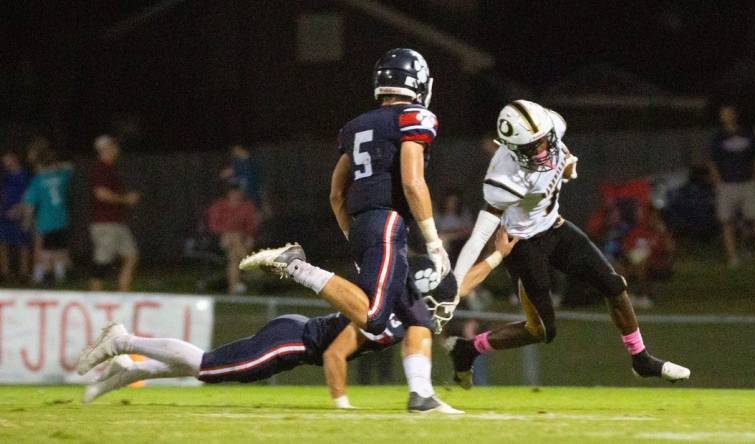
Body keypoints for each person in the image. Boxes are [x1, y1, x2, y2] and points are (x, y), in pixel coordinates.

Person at [239, 49, 459, 414]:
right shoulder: (413, 117)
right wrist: (435, 243)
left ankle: (421, 395)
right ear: (417, 82)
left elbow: (336, 191)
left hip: (364, 224)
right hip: (387, 223)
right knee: (373, 317)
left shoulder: (357, 125)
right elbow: (412, 182)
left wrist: (352, 233)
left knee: (416, 316)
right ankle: (296, 265)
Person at [77, 243, 515, 407]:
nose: (441, 307)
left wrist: (497, 255)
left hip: (295, 339)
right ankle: (125, 340)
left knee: (209, 369)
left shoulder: (403, 310)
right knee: (210, 366)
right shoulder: (392, 315)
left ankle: (134, 369)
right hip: (293, 341)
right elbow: (337, 355)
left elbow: (457, 286)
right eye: (433, 298)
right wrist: (341, 408)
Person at [446, 100, 690, 389]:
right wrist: (454, 285)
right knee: (542, 331)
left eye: (543, 141)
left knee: (613, 285)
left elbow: (560, 165)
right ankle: (468, 349)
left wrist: (568, 168)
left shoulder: (552, 131)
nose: (541, 151)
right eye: (531, 147)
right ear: (512, 148)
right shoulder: (504, 178)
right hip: (522, 244)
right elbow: (478, 238)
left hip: (554, 226)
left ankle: (641, 359)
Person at [707, 105, 755, 267]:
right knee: (727, 221)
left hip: (747, 182)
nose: (727, 116)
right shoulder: (718, 138)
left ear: (735, 115)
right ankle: (733, 257)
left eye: (730, 113)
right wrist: (718, 180)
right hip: (727, 184)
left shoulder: (748, 134)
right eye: (724, 114)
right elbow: (712, 161)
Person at [89, 135, 140, 292]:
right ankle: (93, 298)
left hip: (116, 222)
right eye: (113, 146)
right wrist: (126, 199)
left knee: (131, 256)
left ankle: (123, 294)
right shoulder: (100, 168)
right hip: (105, 223)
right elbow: (101, 194)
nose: (116, 149)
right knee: (102, 263)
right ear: (105, 149)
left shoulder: (109, 168)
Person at [21, 148, 73, 285]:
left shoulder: (37, 181)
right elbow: (70, 166)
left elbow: (29, 204)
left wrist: (26, 221)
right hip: (61, 220)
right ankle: (60, 278)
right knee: (60, 250)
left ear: (40, 166)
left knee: (46, 252)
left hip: (45, 222)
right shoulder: (61, 176)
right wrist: (57, 166)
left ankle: (46, 280)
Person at [206, 183, 257, 294]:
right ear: (228, 194)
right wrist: (226, 232)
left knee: (233, 257)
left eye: (238, 193)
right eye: (233, 193)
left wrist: (250, 238)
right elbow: (213, 226)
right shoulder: (219, 206)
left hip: (240, 241)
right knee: (233, 236)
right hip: (221, 239)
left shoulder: (247, 207)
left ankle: (233, 290)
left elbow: (251, 226)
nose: (236, 195)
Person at [0, 150, 30, 282]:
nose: (4, 162)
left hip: (20, 213)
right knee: (3, 242)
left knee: (22, 243)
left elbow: (29, 194)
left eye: (7, 158)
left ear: (14, 158)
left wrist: (19, 208)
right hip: (3, 213)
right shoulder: (4, 176)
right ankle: (5, 272)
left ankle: (23, 272)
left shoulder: (24, 175)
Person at [435, 190, 474, 261]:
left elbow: (468, 230)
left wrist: (451, 234)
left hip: (459, 238)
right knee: (441, 240)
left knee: (443, 239)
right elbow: (435, 228)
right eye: (450, 201)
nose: (452, 204)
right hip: (442, 236)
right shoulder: (440, 213)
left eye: (454, 201)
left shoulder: (463, 213)